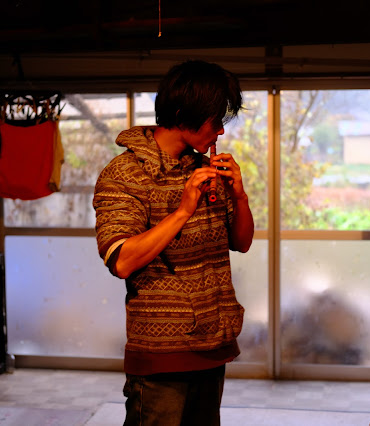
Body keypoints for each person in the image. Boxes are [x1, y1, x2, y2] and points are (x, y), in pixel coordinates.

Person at [93, 59, 254, 426]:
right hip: (160, 357)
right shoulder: (125, 174)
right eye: (215, 121)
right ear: (183, 116)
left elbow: (242, 242)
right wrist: (183, 211)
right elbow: (122, 261)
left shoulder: (202, 167)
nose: (221, 132)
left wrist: (240, 195)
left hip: (212, 347)